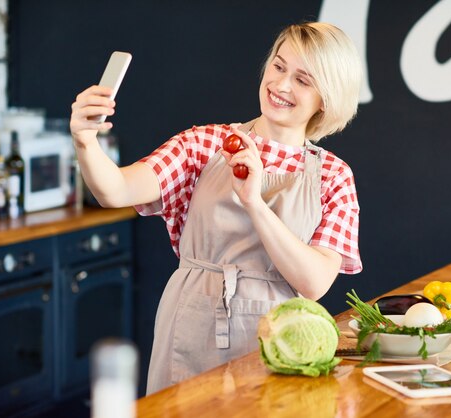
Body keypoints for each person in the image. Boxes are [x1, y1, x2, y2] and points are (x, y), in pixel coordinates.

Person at [70, 21, 363, 394]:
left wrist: (253, 202)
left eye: (303, 80)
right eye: (278, 66)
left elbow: (314, 282)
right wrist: (85, 141)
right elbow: (115, 190)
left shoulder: (333, 176)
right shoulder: (204, 143)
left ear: (328, 99)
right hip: (191, 329)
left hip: (283, 340)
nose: (281, 85)